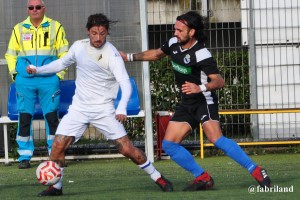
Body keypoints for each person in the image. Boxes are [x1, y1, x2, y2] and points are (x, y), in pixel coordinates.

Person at [119, 11, 271, 191]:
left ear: (191, 32)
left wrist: (200, 87)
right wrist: (128, 57)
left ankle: (256, 170)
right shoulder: (173, 43)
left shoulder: (201, 53)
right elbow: (157, 54)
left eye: (180, 30)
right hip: (187, 101)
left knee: (216, 138)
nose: (175, 33)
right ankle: (203, 177)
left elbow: (219, 81)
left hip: (203, 99)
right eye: (175, 29)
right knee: (169, 145)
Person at [26, 13, 173, 196]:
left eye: (102, 33)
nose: (98, 37)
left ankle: (157, 176)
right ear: (88, 32)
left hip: (104, 109)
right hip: (79, 108)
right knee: (57, 146)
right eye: (94, 33)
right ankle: (56, 187)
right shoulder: (79, 47)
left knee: (127, 149)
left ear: (107, 33)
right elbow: (61, 63)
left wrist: (121, 107)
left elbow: (125, 83)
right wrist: (38, 70)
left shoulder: (112, 54)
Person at [5, 0, 69, 169]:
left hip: (49, 79)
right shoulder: (18, 28)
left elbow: (64, 53)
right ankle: (24, 157)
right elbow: (10, 54)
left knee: (52, 117)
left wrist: (59, 75)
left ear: (43, 9)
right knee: (25, 117)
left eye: (38, 7)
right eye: (31, 7)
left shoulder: (56, 26)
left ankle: (55, 154)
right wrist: (16, 74)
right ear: (27, 10)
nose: (34, 10)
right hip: (24, 81)